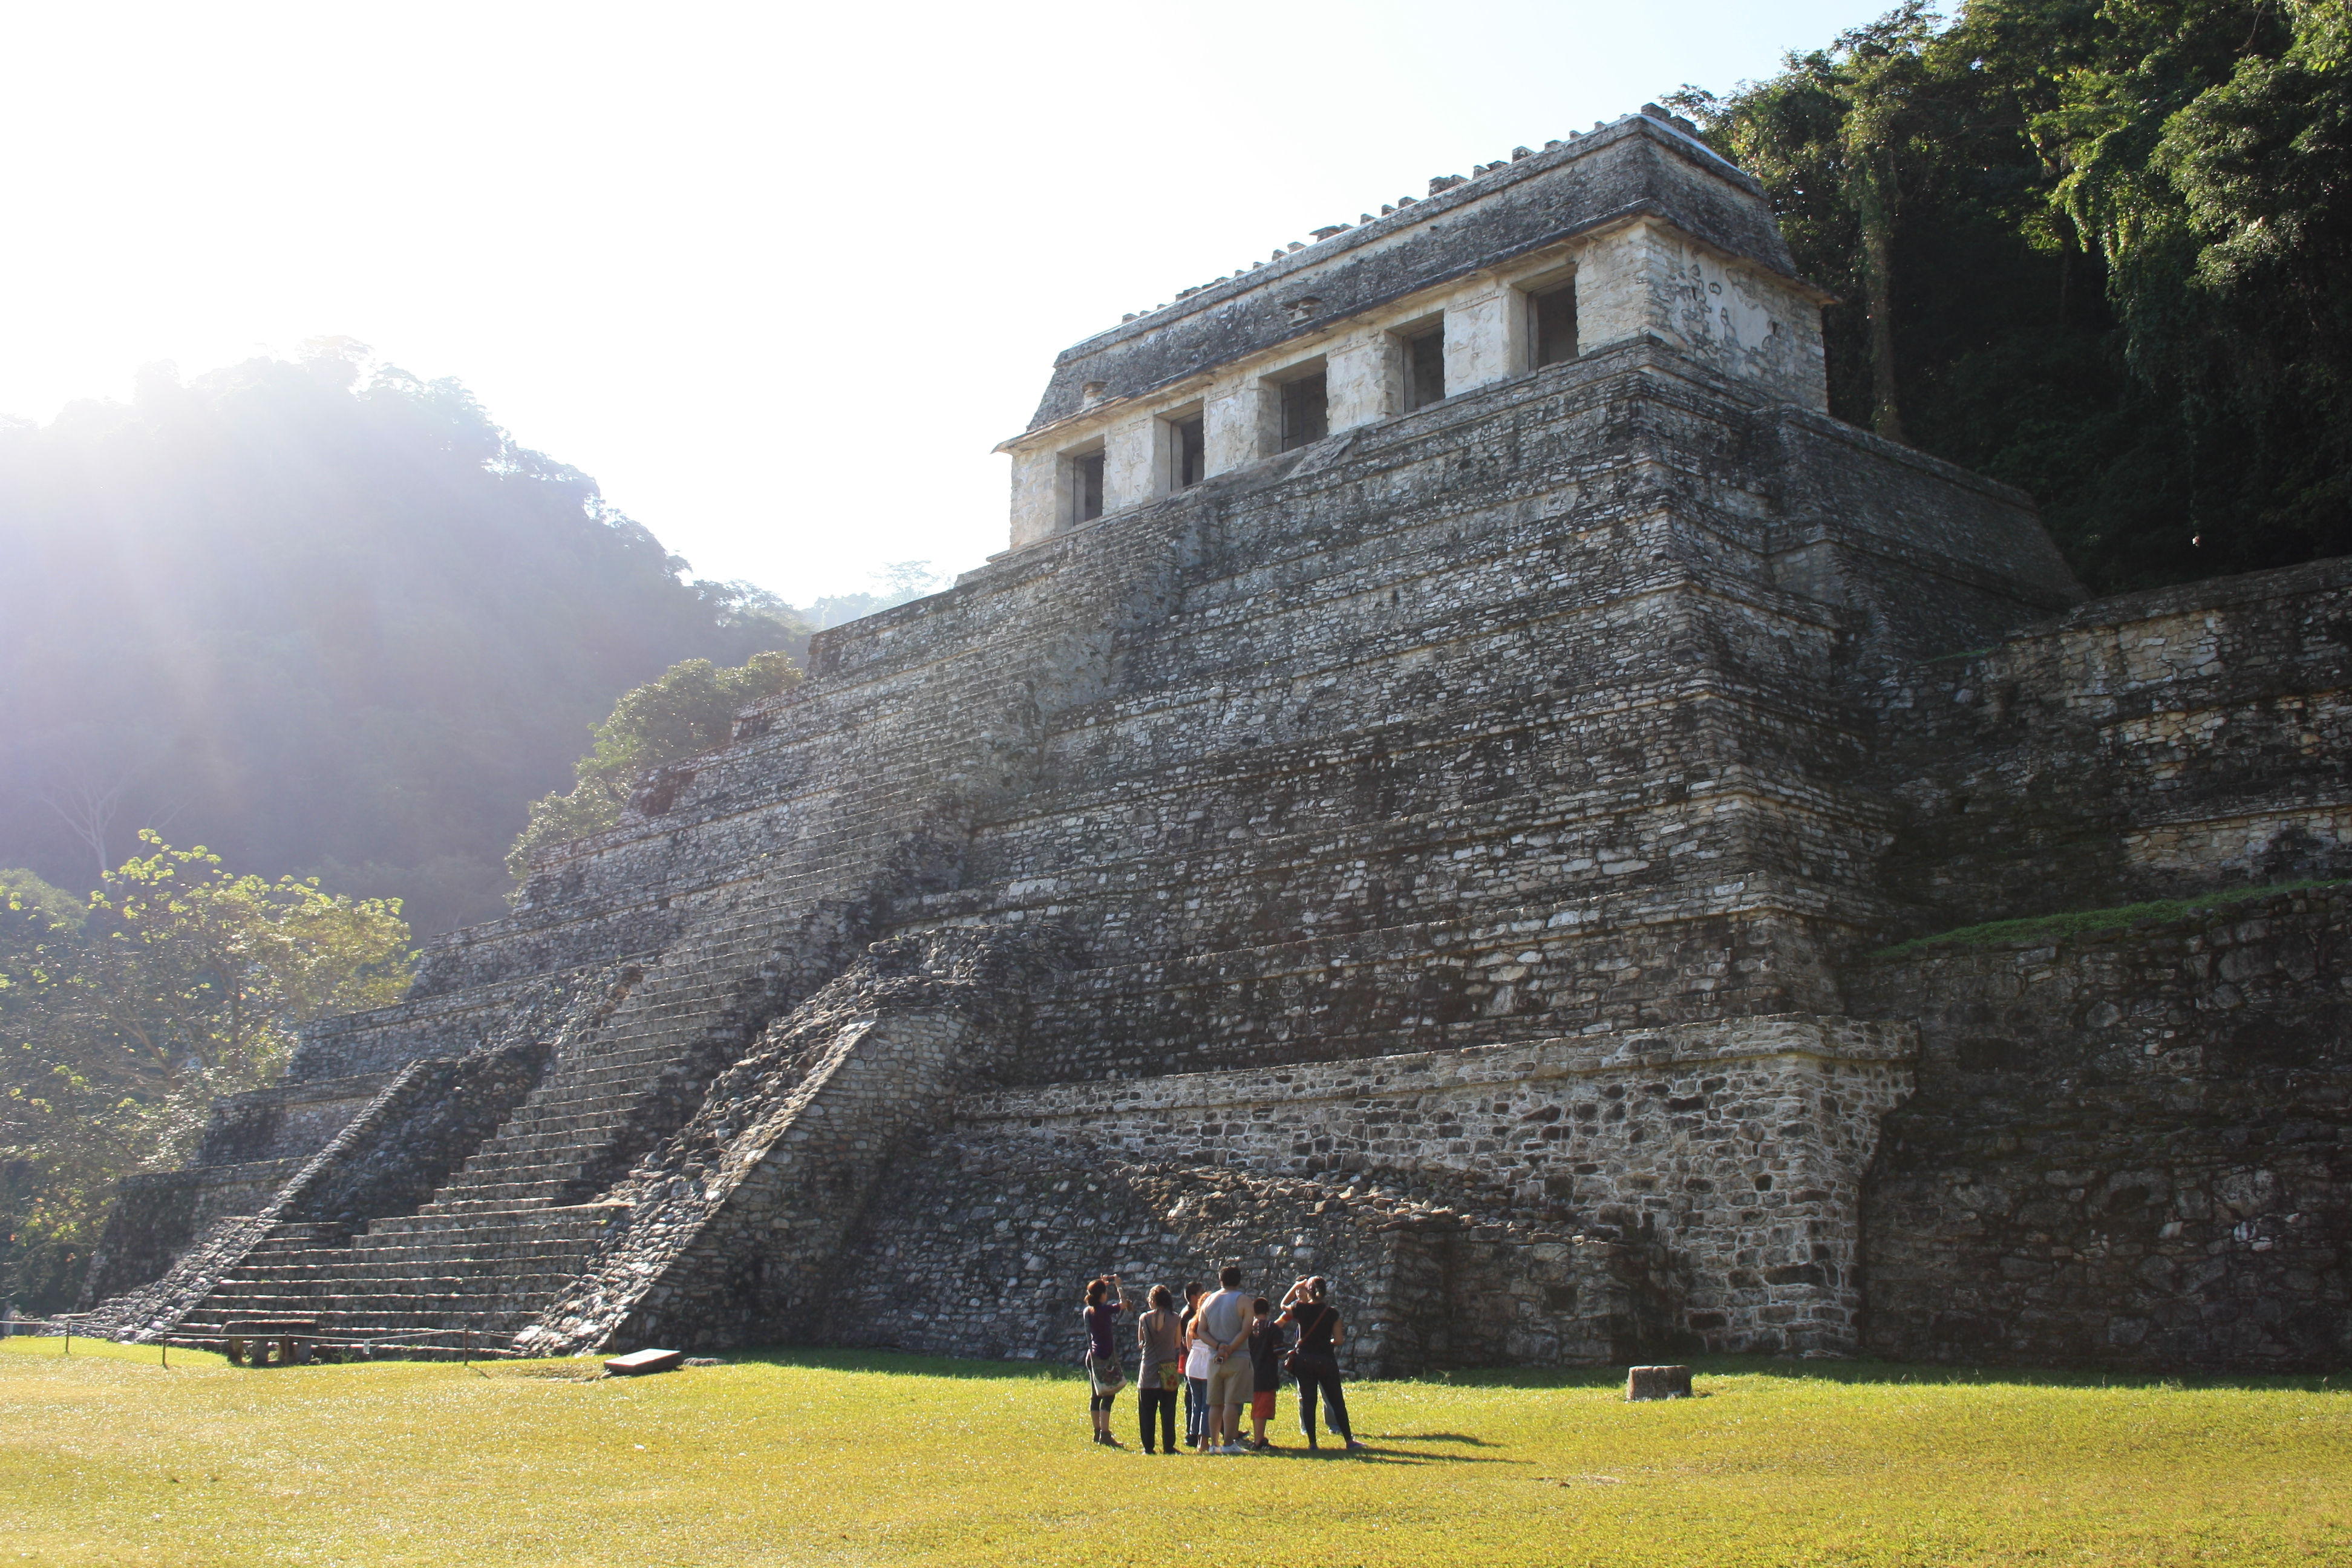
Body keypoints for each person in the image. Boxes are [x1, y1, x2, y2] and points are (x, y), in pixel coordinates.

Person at [1276, 1275, 1364, 1452]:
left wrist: (1296, 1286)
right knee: (1336, 1400)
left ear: (1308, 1291)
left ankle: (1313, 1444)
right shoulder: (1332, 1313)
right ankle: (1349, 1440)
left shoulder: (1299, 1308)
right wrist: (1326, 1342)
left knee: (1309, 1401)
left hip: (1304, 1360)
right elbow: (1338, 1341)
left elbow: (1283, 1306)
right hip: (1326, 1359)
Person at [1194, 1264, 1256, 1455]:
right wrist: (1230, 1347)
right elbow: (1246, 1330)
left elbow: (1201, 1330)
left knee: (1215, 1403)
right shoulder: (1243, 1300)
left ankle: (1214, 1444)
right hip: (1237, 1357)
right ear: (1239, 1281)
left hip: (1215, 1358)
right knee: (1231, 1402)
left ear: (1220, 1280)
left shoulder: (1208, 1301)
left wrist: (1217, 1346)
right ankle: (1229, 1442)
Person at [1134, 1284, 1185, 1454]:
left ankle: (1148, 1447)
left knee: (1147, 1412)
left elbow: (1141, 1343)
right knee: (1168, 1411)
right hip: (1168, 1369)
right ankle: (1169, 1446)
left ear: (1154, 1300)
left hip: (1148, 1369)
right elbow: (1178, 1344)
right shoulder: (1176, 1318)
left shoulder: (1144, 1318)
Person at [1081, 1275, 1128, 1445]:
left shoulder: (1089, 1311)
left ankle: (1097, 1432)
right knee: (1109, 1395)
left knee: (1096, 1394)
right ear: (1102, 1294)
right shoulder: (1104, 1310)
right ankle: (1106, 1434)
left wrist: (1102, 1284)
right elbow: (1123, 1304)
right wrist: (1119, 1286)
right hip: (1104, 1357)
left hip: (1092, 1357)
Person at [1245, 1296, 1287, 1450]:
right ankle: (1258, 1441)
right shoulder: (1272, 1328)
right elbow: (1279, 1351)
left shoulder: (1248, 1328)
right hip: (1267, 1372)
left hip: (1250, 1371)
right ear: (1268, 1311)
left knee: (1256, 1406)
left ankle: (1258, 1438)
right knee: (1262, 1408)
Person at [1177, 1281, 1210, 1449]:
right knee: (1204, 1404)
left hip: (1192, 1364)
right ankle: (1201, 1438)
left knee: (1196, 1403)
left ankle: (1193, 1433)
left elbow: (1188, 1345)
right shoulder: (1201, 1321)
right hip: (1204, 1365)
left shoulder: (1191, 1321)